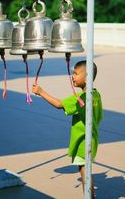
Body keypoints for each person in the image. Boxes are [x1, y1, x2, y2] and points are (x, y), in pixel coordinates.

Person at [32, 60, 103, 198]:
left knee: (84, 170)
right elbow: (100, 116)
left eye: (76, 74)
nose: (72, 76)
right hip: (92, 137)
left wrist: (41, 92)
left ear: (87, 77)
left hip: (83, 141)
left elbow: (59, 104)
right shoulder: (96, 95)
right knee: (84, 168)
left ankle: (90, 197)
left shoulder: (81, 98)